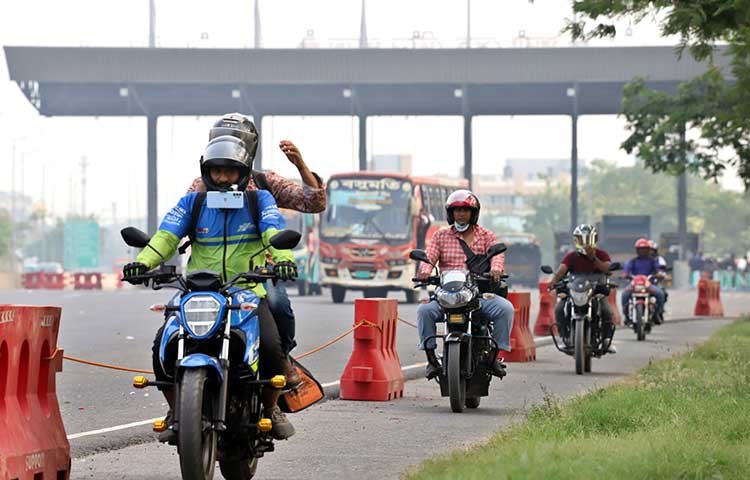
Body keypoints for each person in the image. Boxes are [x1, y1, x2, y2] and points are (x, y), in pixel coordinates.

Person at [123, 133, 298, 442]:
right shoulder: (193, 202)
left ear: (243, 173)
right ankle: (177, 410)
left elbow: (274, 230)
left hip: (246, 291)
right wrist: (144, 261)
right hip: (198, 293)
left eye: (230, 170)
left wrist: (283, 259)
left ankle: (271, 409)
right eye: (216, 170)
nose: (222, 177)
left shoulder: (260, 201)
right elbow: (166, 236)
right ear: (206, 171)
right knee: (161, 348)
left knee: (271, 350)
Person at [186, 113, 327, 387]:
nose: (223, 175)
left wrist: (300, 165)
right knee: (171, 326)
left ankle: (282, 361)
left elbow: (313, 203)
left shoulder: (264, 185)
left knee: (277, 304)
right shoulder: (199, 187)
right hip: (207, 275)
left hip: (257, 274)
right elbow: (176, 225)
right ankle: (175, 400)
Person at [416, 190, 515, 379]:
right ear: (450, 213)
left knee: (506, 309)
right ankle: (431, 360)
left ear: (474, 213)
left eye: (465, 210)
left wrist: (496, 270)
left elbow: (497, 256)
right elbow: (429, 256)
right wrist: (424, 272)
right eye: (457, 210)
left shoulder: (486, 236)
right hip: (446, 295)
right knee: (424, 311)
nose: (461, 214)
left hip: (476, 294)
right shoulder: (441, 236)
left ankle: (494, 358)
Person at [547, 224, 616, 353]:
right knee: (559, 308)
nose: (585, 243)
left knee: (606, 310)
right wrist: (553, 282)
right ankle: (564, 337)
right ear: (576, 240)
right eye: (581, 239)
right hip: (575, 288)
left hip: (596, 291)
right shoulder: (572, 256)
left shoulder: (601, 254)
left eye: (587, 239)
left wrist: (593, 258)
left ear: (594, 240)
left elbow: (608, 269)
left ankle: (606, 340)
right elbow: (562, 269)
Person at [621, 238, 667, 324]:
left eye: (644, 249)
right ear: (637, 250)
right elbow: (626, 270)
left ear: (648, 250)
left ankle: (658, 314)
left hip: (649, 285)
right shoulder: (633, 261)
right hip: (634, 285)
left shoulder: (653, 261)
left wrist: (659, 274)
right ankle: (627, 316)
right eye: (640, 249)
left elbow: (658, 270)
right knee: (624, 294)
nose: (642, 251)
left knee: (660, 294)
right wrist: (624, 274)